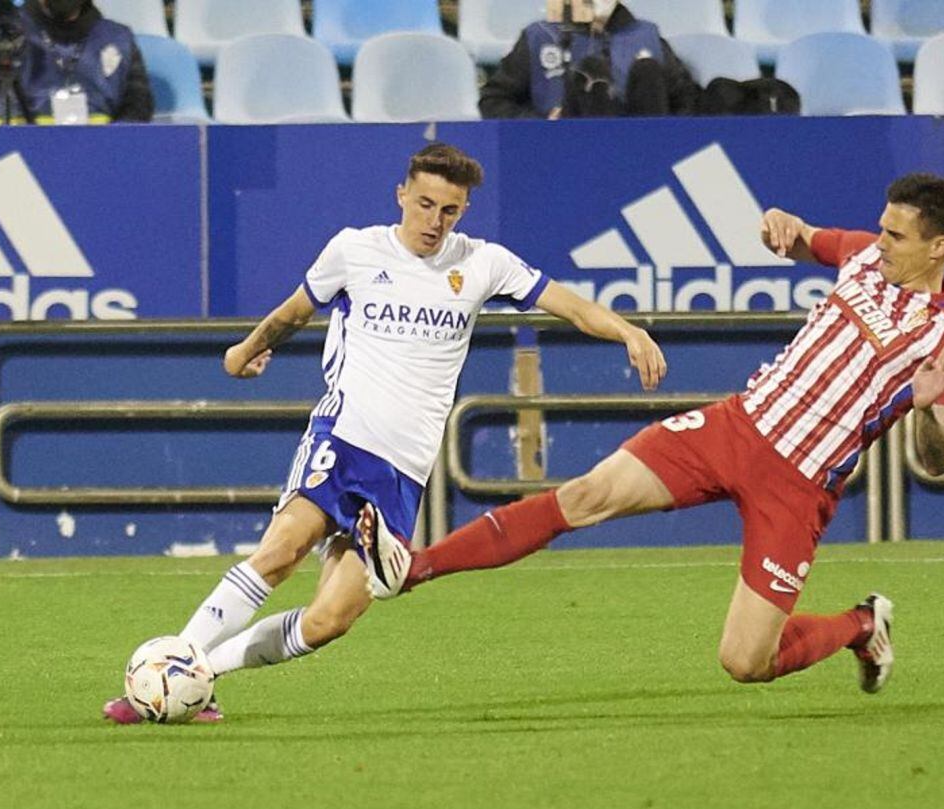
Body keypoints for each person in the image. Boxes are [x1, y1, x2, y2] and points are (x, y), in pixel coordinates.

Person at [102, 142, 667, 723]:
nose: (434, 220)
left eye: (449, 210)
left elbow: (569, 305)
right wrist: (245, 350)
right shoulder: (354, 250)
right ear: (402, 195)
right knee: (280, 551)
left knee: (330, 619)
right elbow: (296, 311)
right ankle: (168, 670)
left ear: (463, 211)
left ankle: (200, 678)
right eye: (424, 204)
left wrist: (630, 333)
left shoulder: (483, 263)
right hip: (343, 439)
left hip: (402, 475)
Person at [370, 173, 944, 694]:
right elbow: (803, 240)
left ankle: (862, 626)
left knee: (746, 662)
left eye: (897, 236)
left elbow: (938, 460)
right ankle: (413, 568)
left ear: (938, 247)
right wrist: (784, 227)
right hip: (734, 427)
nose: (882, 242)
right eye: (882, 228)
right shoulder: (864, 255)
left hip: (798, 486)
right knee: (585, 496)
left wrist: (924, 412)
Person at [480, 0, 701, 120]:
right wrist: (542, 121)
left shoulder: (647, 36)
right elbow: (493, 101)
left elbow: (686, 99)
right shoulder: (539, 36)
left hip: (644, 152)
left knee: (648, 71)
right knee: (591, 72)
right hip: (561, 151)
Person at [0, 0, 153, 124]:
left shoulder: (119, 40)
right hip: (10, 168)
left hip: (94, 164)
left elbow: (138, 108)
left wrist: (107, 150)